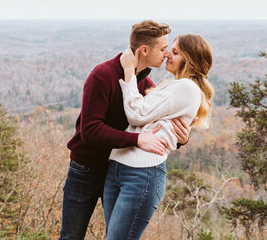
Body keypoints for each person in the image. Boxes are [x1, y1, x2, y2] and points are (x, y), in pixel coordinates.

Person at [59, 21, 192, 240]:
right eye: (162, 48)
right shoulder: (102, 75)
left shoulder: (144, 83)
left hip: (118, 171)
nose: (166, 53)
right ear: (144, 50)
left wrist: (180, 140)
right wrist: (137, 139)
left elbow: (154, 125)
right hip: (86, 169)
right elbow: (90, 131)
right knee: (71, 236)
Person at [103, 34, 214, 240]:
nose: (167, 55)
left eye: (175, 52)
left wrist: (128, 70)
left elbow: (138, 114)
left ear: (189, 59)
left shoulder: (187, 88)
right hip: (118, 166)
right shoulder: (171, 86)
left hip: (141, 175)